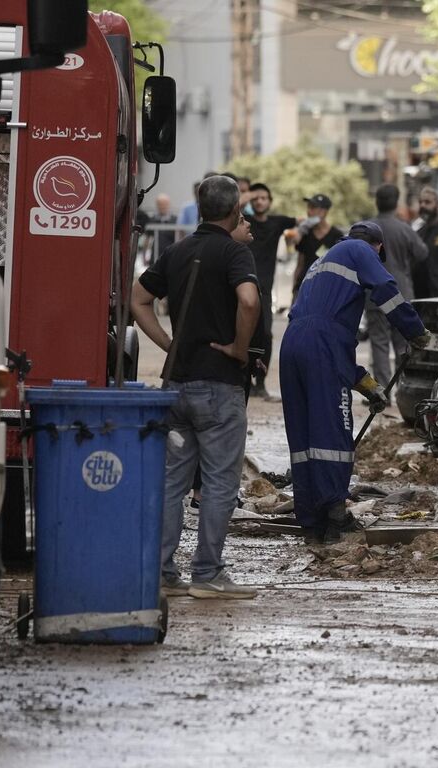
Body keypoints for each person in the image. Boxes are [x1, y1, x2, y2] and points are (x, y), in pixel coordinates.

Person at [128, 174, 262, 600]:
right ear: (234, 210)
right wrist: (240, 349)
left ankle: (163, 572)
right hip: (219, 386)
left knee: (172, 482)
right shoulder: (235, 253)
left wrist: (170, 344)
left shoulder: (178, 250)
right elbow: (249, 300)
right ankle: (207, 573)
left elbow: (137, 299)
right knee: (221, 482)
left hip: (178, 385)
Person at [280, 221, 431, 545]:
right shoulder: (361, 250)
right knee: (332, 431)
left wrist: (369, 386)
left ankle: (311, 520)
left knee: (305, 434)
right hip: (323, 343)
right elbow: (387, 292)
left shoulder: (323, 263)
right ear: (377, 246)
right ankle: (335, 513)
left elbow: (336, 359)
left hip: (293, 342)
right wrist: (414, 330)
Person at [364, 184, 426, 387]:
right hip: (400, 294)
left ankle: (382, 390)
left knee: (379, 343)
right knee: (402, 343)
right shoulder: (404, 229)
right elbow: (422, 253)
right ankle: (402, 388)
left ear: (377, 202)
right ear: (396, 203)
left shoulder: (366, 229)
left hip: (374, 295)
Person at [242, 183, 298, 401]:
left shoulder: (277, 223)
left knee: (265, 334)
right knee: (243, 332)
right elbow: (231, 207)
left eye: (264, 197)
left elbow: (302, 222)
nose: (259, 201)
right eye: (256, 198)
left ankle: (261, 383)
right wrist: (247, 195)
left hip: (264, 289)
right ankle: (244, 380)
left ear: (270, 201)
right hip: (242, 285)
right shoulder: (244, 222)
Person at [288, 194, 343, 296]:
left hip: (325, 289)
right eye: (308, 207)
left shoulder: (337, 235)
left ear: (324, 211)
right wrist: (294, 289)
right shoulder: (305, 233)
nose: (309, 211)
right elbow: (300, 264)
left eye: (313, 207)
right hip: (303, 287)